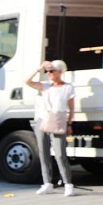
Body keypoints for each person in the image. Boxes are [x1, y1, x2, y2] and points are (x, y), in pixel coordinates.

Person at [25, 59, 75, 196]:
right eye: (47, 71)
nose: (49, 73)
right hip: (42, 121)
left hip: (58, 121)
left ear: (60, 72)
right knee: (43, 153)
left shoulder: (68, 87)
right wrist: (39, 68)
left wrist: (70, 123)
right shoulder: (45, 86)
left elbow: (71, 108)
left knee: (60, 154)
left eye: (51, 71)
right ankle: (47, 183)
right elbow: (27, 81)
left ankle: (68, 184)